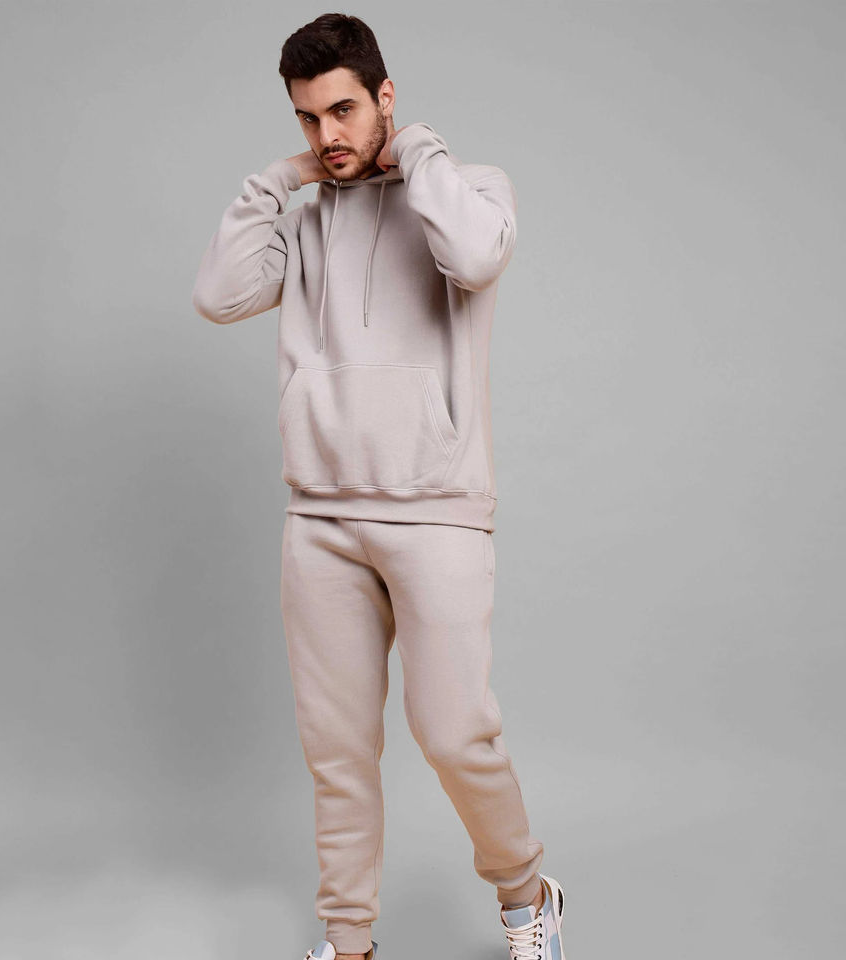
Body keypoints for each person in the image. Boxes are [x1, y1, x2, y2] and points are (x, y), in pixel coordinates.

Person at [192, 13, 566, 960]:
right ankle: (349, 940)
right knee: (338, 752)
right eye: (308, 117)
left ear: (385, 97)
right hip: (320, 516)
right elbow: (220, 296)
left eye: (345, 110)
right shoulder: (306, 217)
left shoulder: (470, 188)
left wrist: (419, 151)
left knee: (455, 734)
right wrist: (277, 181)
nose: (328, 135)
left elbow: (475, 258)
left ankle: (528, 897)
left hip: (436, 511)